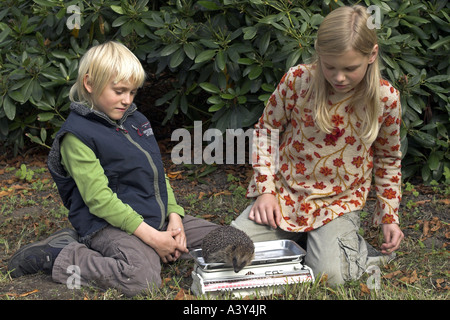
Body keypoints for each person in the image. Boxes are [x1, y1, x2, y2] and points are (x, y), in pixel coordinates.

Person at [8, 41, 218, 296]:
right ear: (89, 84)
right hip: (107, 225)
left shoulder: (136, 121)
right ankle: (60, 254)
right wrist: (153, 238)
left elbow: (157, 173)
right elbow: (99, 200)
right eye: (119, 91)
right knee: (141, 278)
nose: (127, 100)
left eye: (132, 92)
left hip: (156, 218)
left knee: (230, 242)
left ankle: (152, 246)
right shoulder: (77, 136)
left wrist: (174, 217)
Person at [232, 5, 404, 285]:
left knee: (330, 276)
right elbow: (266, 132)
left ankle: (355, 253)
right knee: (228, 253)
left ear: (371, 55)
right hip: (286, 195)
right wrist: (265, 192)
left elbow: (388, 159)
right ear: (318, 53)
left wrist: (389, 217)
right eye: (330, 66)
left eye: (350, 68)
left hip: (338, 201)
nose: (338, 77)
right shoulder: (298, 81)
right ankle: (309, 240)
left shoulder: (385, 99)